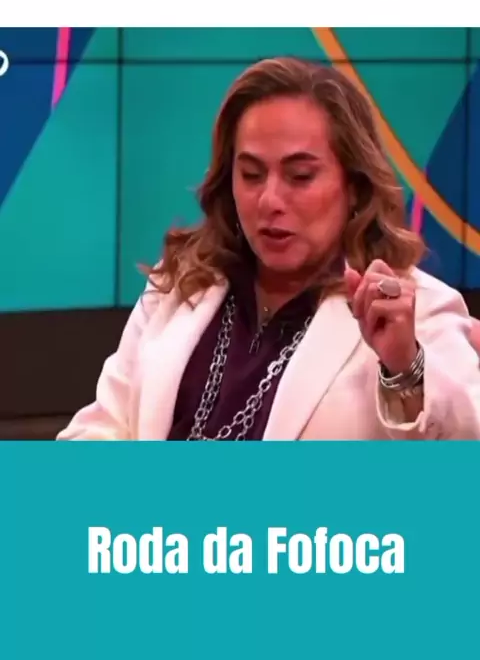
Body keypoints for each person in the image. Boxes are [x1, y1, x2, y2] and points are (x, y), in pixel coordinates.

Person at [57, 57, 480, 441]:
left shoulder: (416, 310)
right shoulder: (181, 281)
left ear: (354, 185)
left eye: (300, 176)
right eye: (252, 174)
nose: (269, 200)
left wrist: (406, 369)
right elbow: (99, 428)